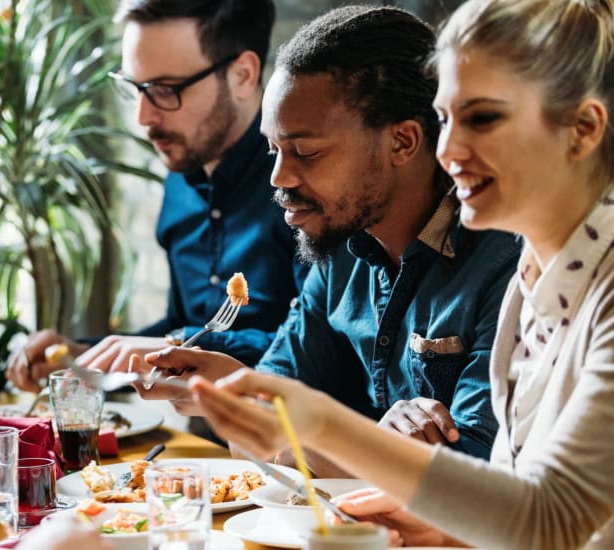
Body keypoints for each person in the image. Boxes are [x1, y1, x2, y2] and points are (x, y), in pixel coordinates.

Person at [191, 0, 614, 547]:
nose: (450, 149)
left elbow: (549, 520)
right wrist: (441, 526)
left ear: (582, 130)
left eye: (482, 118)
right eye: (446, 118)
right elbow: (511, 498)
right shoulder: (535, 278)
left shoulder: (559, 279)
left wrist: (318, 423)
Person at [136, 4, 521, 473]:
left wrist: (297, 426)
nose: (278, 178)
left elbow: (475, 484)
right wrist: (235, 391)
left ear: (402, 142)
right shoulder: (341, 252)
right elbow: (256, 443)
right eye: (273, 149)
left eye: (306, 152)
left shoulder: (507, 265)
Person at [6, 0, 305, 391]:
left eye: (165, 90)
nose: (143, 118)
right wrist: (82, 353)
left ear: (243, 75)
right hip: (204, 443)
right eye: (135, 88)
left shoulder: (304, 184)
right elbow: (180, 324)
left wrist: (180, 345)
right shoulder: (180, 182)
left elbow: (316, 346)